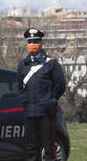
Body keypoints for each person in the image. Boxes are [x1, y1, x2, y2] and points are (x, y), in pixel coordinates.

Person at [17, 28, 66, 161]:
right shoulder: (23, 65)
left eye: (36, 42)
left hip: (46, 113)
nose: (33, 44)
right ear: (27, 43)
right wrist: (25, 101)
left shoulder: (51, 63)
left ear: (41, 43)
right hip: (29, 113)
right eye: (30, 42)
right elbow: (20, 87)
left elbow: (60, 85)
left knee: (49, 150)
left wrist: (50, 100)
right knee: (31, 149)